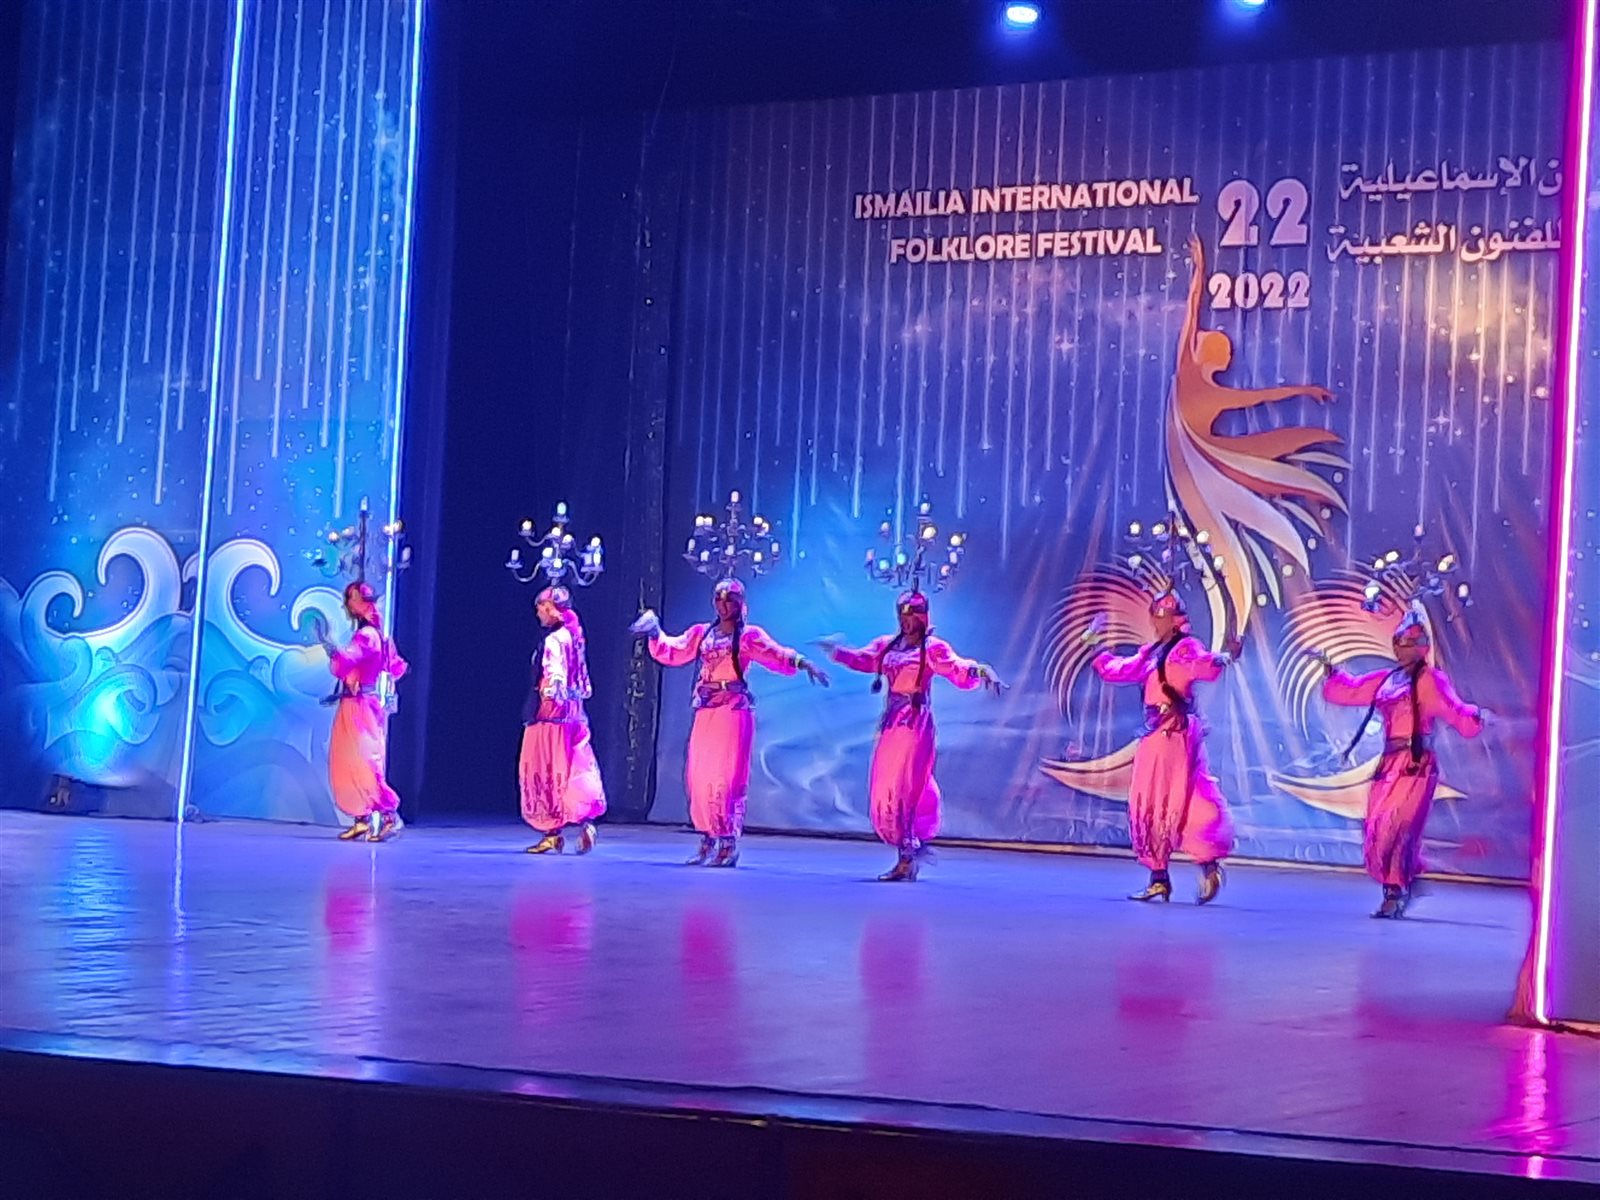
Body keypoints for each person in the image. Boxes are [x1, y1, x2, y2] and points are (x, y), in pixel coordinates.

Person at [633, 578, 828, 867]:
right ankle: (707, 838)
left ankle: (727, 842)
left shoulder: (748, 637)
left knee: (726, 778)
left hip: (733, 711)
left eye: (730, 601)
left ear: (740, 604)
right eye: (719, 600)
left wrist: (803, 662)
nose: (724, 606)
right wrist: (655, 632)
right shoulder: (702, 633)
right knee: (700, 776)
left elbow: (775, 652)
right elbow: (675, 649)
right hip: (707, 709)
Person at [1313, 609, 1486, 917]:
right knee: (1377, 827)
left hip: (1416, 766)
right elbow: (1353, 690)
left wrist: (1473, 717)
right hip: (1389, 766)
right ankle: (1402, 879)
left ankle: (1395, 890)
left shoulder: (1431, 680)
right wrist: (1332, 672)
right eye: (1400, 643)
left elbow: (1455, 710)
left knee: (1398, 827)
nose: (1402, 649)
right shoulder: (1388, 679)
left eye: (1409, 643)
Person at [819, 591, 1002, 881]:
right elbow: (865, 659)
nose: (905, 622)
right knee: (886, 788)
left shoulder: (932, 648)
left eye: (911, 617)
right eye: (901, 616)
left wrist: (980, 671)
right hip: (892, 724)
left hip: (915, 724)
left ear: (922, 618)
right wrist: (837, 651)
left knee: (906, 787)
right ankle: (909, 847)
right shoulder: (889, 645)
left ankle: (906, 858)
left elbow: (955, 666)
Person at [1087, 589, 1238, 902]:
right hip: (1161, 734)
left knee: (1174, 799)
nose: (1155, 623)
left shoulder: (1185, 648)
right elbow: (1120, 669)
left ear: (1174, 619)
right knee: (1174, 798)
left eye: (1161, 617)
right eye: (1154, 617)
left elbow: (1204, 664)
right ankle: (1176, 873)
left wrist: (1224, 657)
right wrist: (1095, 645)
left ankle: (1187, 870)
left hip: (1173, 735)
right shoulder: (1152, 652)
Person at [519, 586, 607, 855]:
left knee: (543, 769)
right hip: (573, 714)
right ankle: (584, 822)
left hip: (550, 715)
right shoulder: (575, 636)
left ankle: (551, 831)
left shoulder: (555, 640)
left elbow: (555, 674)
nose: (538, 614)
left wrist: (550, 693)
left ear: (552, 609)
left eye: (541, 608)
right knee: (573, 766)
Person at [322, 581, 408, 842]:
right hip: (359, 702)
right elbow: (396, 666)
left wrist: (331, 648)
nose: (347, 605)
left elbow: (344, 662)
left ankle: (389, 815)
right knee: (349, 760)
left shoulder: (368, 636)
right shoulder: (377, 635)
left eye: (350, 599)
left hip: (361, 705)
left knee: (364, 762)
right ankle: (361, 818)